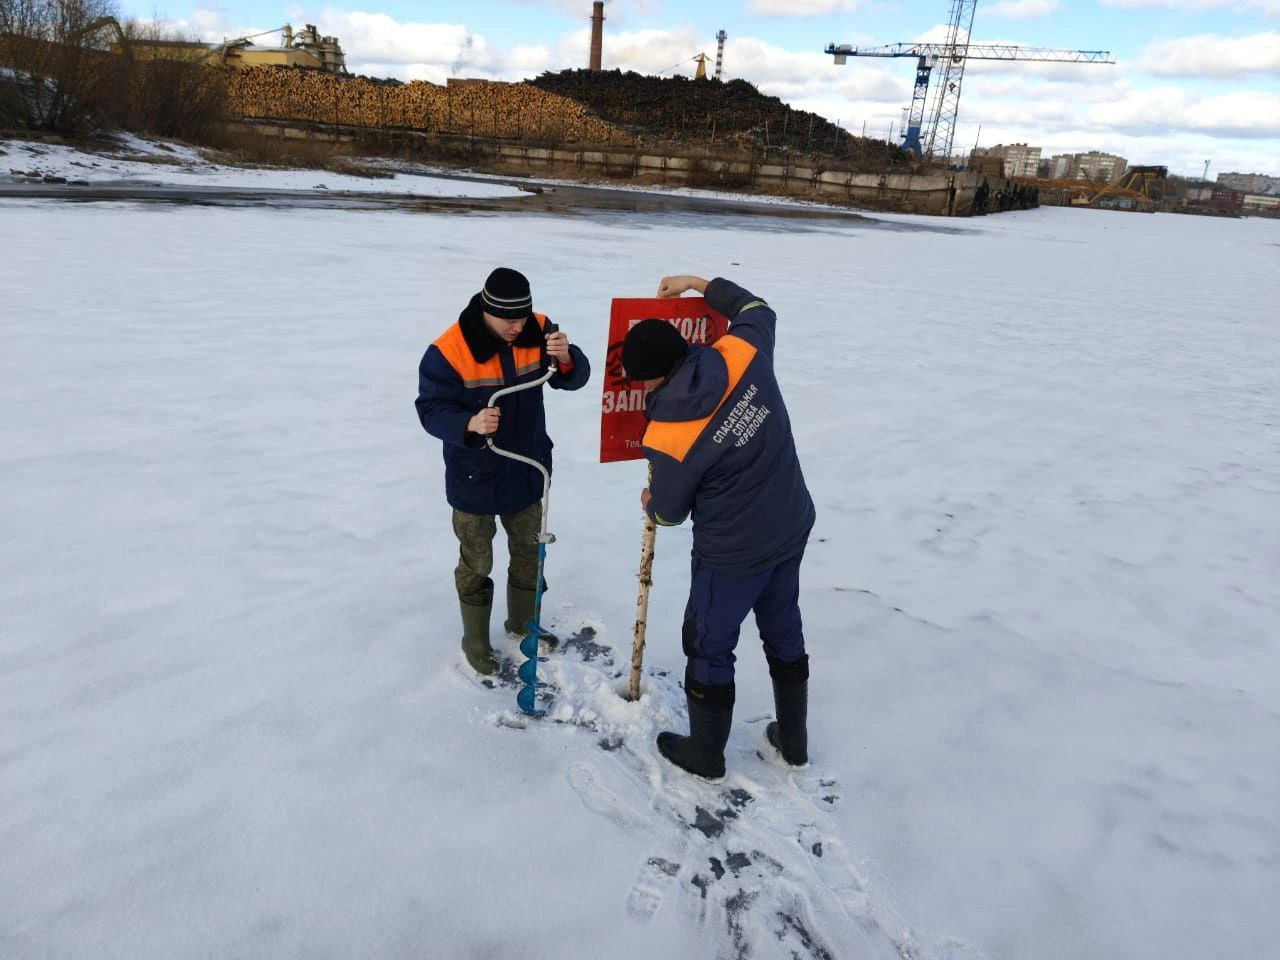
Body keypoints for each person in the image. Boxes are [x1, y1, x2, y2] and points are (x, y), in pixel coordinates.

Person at [622, 275, 815, 779]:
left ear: (650, 379)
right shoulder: (740, 350)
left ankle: (706, 756)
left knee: (709, 645)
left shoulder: (668, 435)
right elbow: (757, 305)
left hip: (731, 555)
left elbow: (668, 513)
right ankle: (794, 744)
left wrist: (649, 500)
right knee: (783, 627)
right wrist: (695, 282)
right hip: (790, 522)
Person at [416, 267, 590, 675]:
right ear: (486, 311)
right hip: (474, 475)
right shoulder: (449, 350)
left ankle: (521, 624)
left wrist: (567, 358)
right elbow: (430, 409)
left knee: (530, 552)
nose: (517, 327)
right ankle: (474, 639)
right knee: (476, 560)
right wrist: (468, 425)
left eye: (522, 318)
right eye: (507, 320)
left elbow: (572, 379)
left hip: (527, 470)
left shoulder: (540, 329)